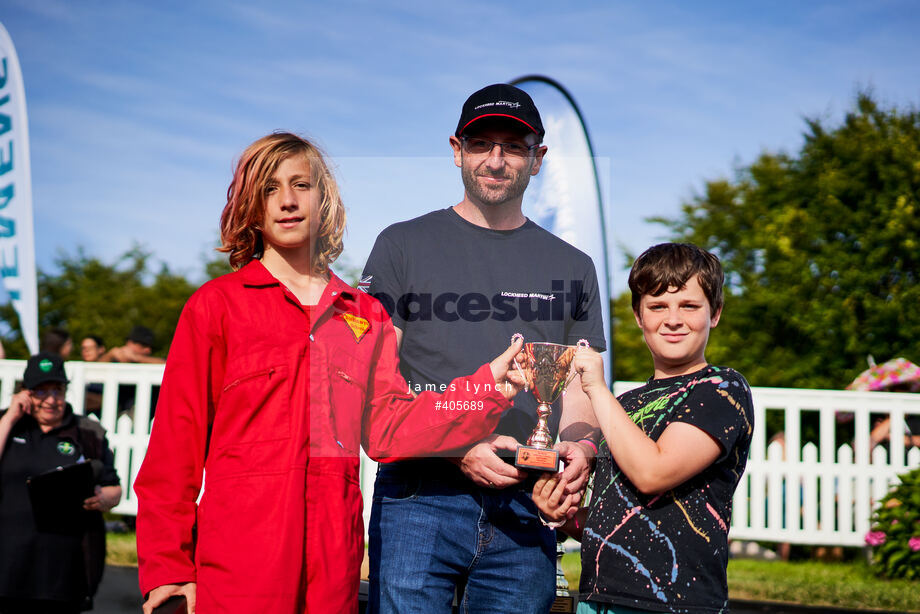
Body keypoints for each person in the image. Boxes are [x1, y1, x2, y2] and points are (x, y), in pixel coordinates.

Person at [134, 132, 527, 614]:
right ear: (251, 207)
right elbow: (174, 450)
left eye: (301, 184)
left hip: (331, 565)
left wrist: (487, 385)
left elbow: (391, 427)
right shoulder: (216, 307)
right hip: (238, 564)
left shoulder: (365, 315)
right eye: (268, 188)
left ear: (325, 198)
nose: (287, 201)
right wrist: (168, 568)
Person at [362, 83, 606, 613]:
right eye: (481, 144)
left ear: (538, 159)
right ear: (457, 150)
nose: (496, 161)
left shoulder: (573, 266)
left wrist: (581, 451)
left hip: (525, 504)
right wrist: (455, 445)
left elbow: (584, 390)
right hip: (419, 497)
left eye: (513, 146)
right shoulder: (401, 245)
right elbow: (376, 385)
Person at [533, 243, 754, 614]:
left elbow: (652, 473)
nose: (672, 319)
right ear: (638, 316)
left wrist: (596, 389)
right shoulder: (626, 405)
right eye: (657, 306)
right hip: (599, 599)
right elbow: (617, 514)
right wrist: (563, 512)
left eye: (689, 306)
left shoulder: (722, 389)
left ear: (714, 314)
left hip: (677, 603)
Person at [0, 352, 122, 613]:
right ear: (25, 392)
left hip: (62, 572)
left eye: (57, 390)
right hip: (6, 566)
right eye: (41, 392)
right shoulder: (7, 423)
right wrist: (10, 417)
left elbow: (115, 488)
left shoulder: (87, 431)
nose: (51, 400)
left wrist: (103, 498)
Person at [97, 326, 165, 364]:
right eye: (143, 345)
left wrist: (136, 358)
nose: (148, 350)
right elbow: (96, 367)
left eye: (150, 347)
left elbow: (167, 365)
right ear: (129, 343)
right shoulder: (115, 358)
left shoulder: (149, 361)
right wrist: (110, 355)